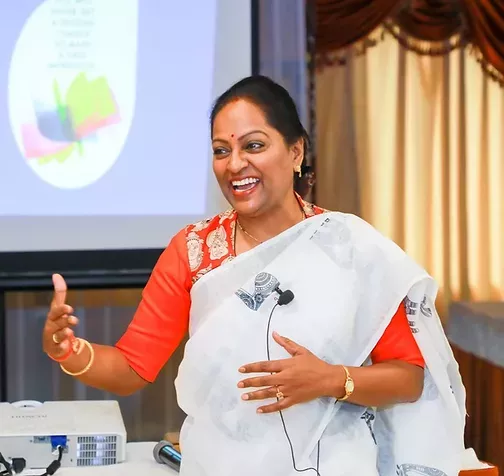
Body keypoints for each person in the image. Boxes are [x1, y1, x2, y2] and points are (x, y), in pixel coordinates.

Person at [43, 76, 469, 475]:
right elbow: (131, 368)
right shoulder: (193, 251)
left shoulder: (350, 247)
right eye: (221, 151)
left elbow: (409, 379)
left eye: (254, 145)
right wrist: (70, 351)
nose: (235, 164)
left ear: (296, 152)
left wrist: (329, 379)